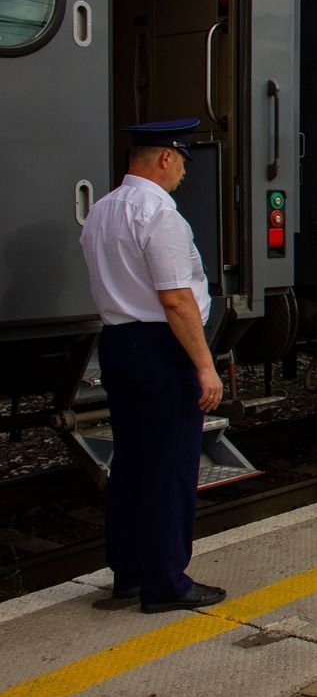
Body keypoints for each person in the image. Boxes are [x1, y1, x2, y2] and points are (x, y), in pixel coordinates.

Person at [79, 119, 226, 613]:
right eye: (182, 162)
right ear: (165, 157)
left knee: (133, 463)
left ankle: (129, 574)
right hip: (162, 348)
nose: (183, 172)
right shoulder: (159, 214)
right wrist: (204, 365)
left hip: (119, 344)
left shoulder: (101, 210)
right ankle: (166, 583)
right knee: (170, 466)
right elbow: (177, 300)